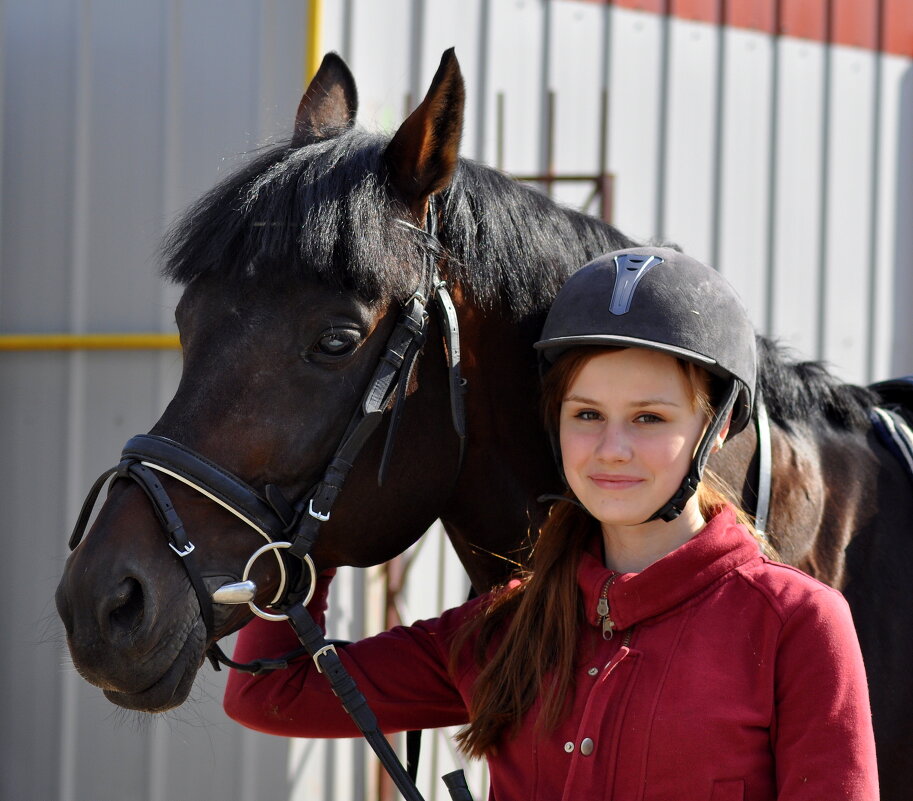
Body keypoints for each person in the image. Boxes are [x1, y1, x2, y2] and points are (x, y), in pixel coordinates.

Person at [224, 246, 879, 800]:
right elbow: (272, 691)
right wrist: (317, 529)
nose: (611, 449)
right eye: (586, 414)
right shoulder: (506, 626)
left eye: (649, 418)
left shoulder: (796, 623)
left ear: (718, 425)